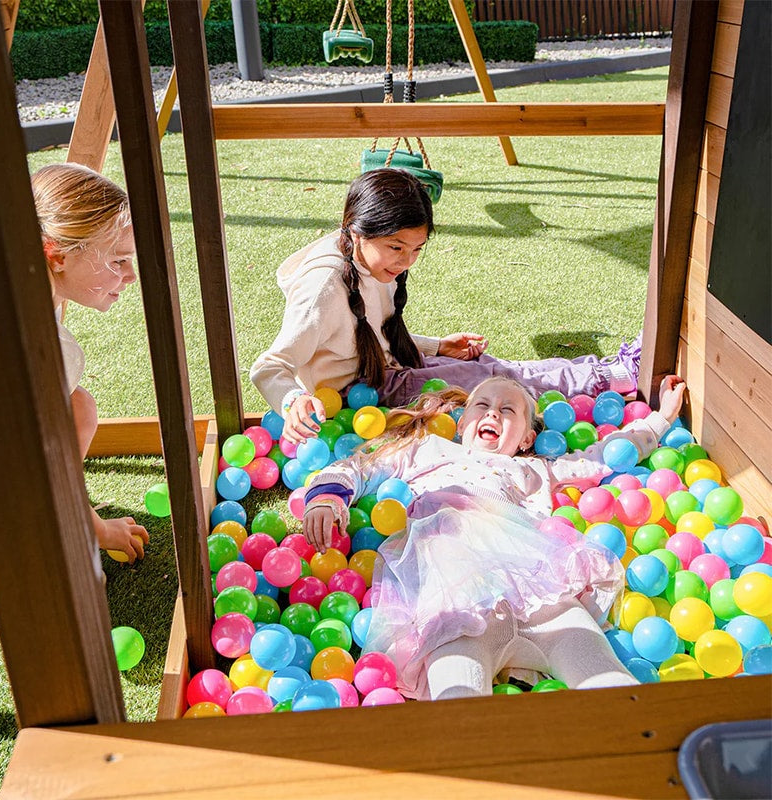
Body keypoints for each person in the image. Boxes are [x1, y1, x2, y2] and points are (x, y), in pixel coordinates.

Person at [301, 374, 686, 700]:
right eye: (481, 405)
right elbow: (362, 466)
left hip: (538, 590)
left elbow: (602, 456)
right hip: (453, 601)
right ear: (462, 419)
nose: (492, 413)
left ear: (526, 438)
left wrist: (659, 421)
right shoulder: (428, 451)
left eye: (507, 410)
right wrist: (327, 498)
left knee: (613, 685)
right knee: (459, 708)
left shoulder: (532, 470)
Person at [250, 168, 642, 444]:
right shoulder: (323, 289)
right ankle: (619, 376)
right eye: (396, 248)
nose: (406, 262)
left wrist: (436, 345)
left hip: (391, 370)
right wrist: (293, 400)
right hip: (370, 397)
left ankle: (610, 370)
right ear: (356, 232)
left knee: (498, 370)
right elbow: (269, 366)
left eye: (417, 249)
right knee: (501, 388)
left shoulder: (372, 263)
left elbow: (366, 329)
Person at [0, 163, 149, 612]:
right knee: (55, 589)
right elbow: (34, 468)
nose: (129, 276)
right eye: (116, 261)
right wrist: (95, 528)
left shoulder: (16, 287)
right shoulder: (43, 347)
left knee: (79, 408)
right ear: (55, 254)